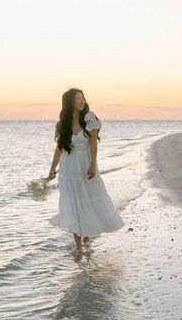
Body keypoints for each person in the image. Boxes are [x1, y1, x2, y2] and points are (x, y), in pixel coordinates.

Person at [48, 88, 125, 252]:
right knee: (73, 204)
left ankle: (87, 237)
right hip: (68, 170)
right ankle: (78, 247)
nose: (82, 101)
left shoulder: (90, 118)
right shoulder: (64, 123)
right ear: (70, 103)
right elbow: (59, 148)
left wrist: (92, 164)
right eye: (77, 99)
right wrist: (52, 169)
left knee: (88, 201)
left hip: (85, 165)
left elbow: (93, 144)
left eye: (82, 98)